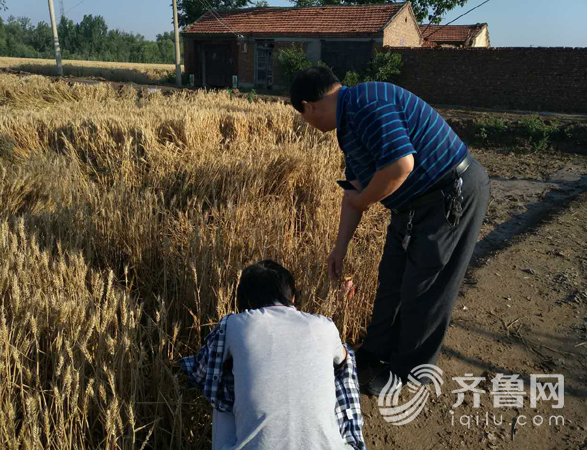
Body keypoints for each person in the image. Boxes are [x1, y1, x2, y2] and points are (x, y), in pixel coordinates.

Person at [289, 67, 490, 396]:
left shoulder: (368, 103)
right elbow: (353, 196)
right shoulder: (349, 127)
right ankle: (374, 352)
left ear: (310, 106)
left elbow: (400, 165)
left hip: (449, 194)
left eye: (304, 116)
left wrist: (365, 197)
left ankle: (409, 373)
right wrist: (339, 249)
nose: (307, 124)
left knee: (424, 288)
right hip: (411, 206)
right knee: (391, 280)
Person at [179, 260, 365, 450]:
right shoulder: (325, 326)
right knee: (344, 360)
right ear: (292, 297)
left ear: (246, 301)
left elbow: (200, 371)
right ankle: (354, 439)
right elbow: (343, 360)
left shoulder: (233, 325)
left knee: (222, 372)